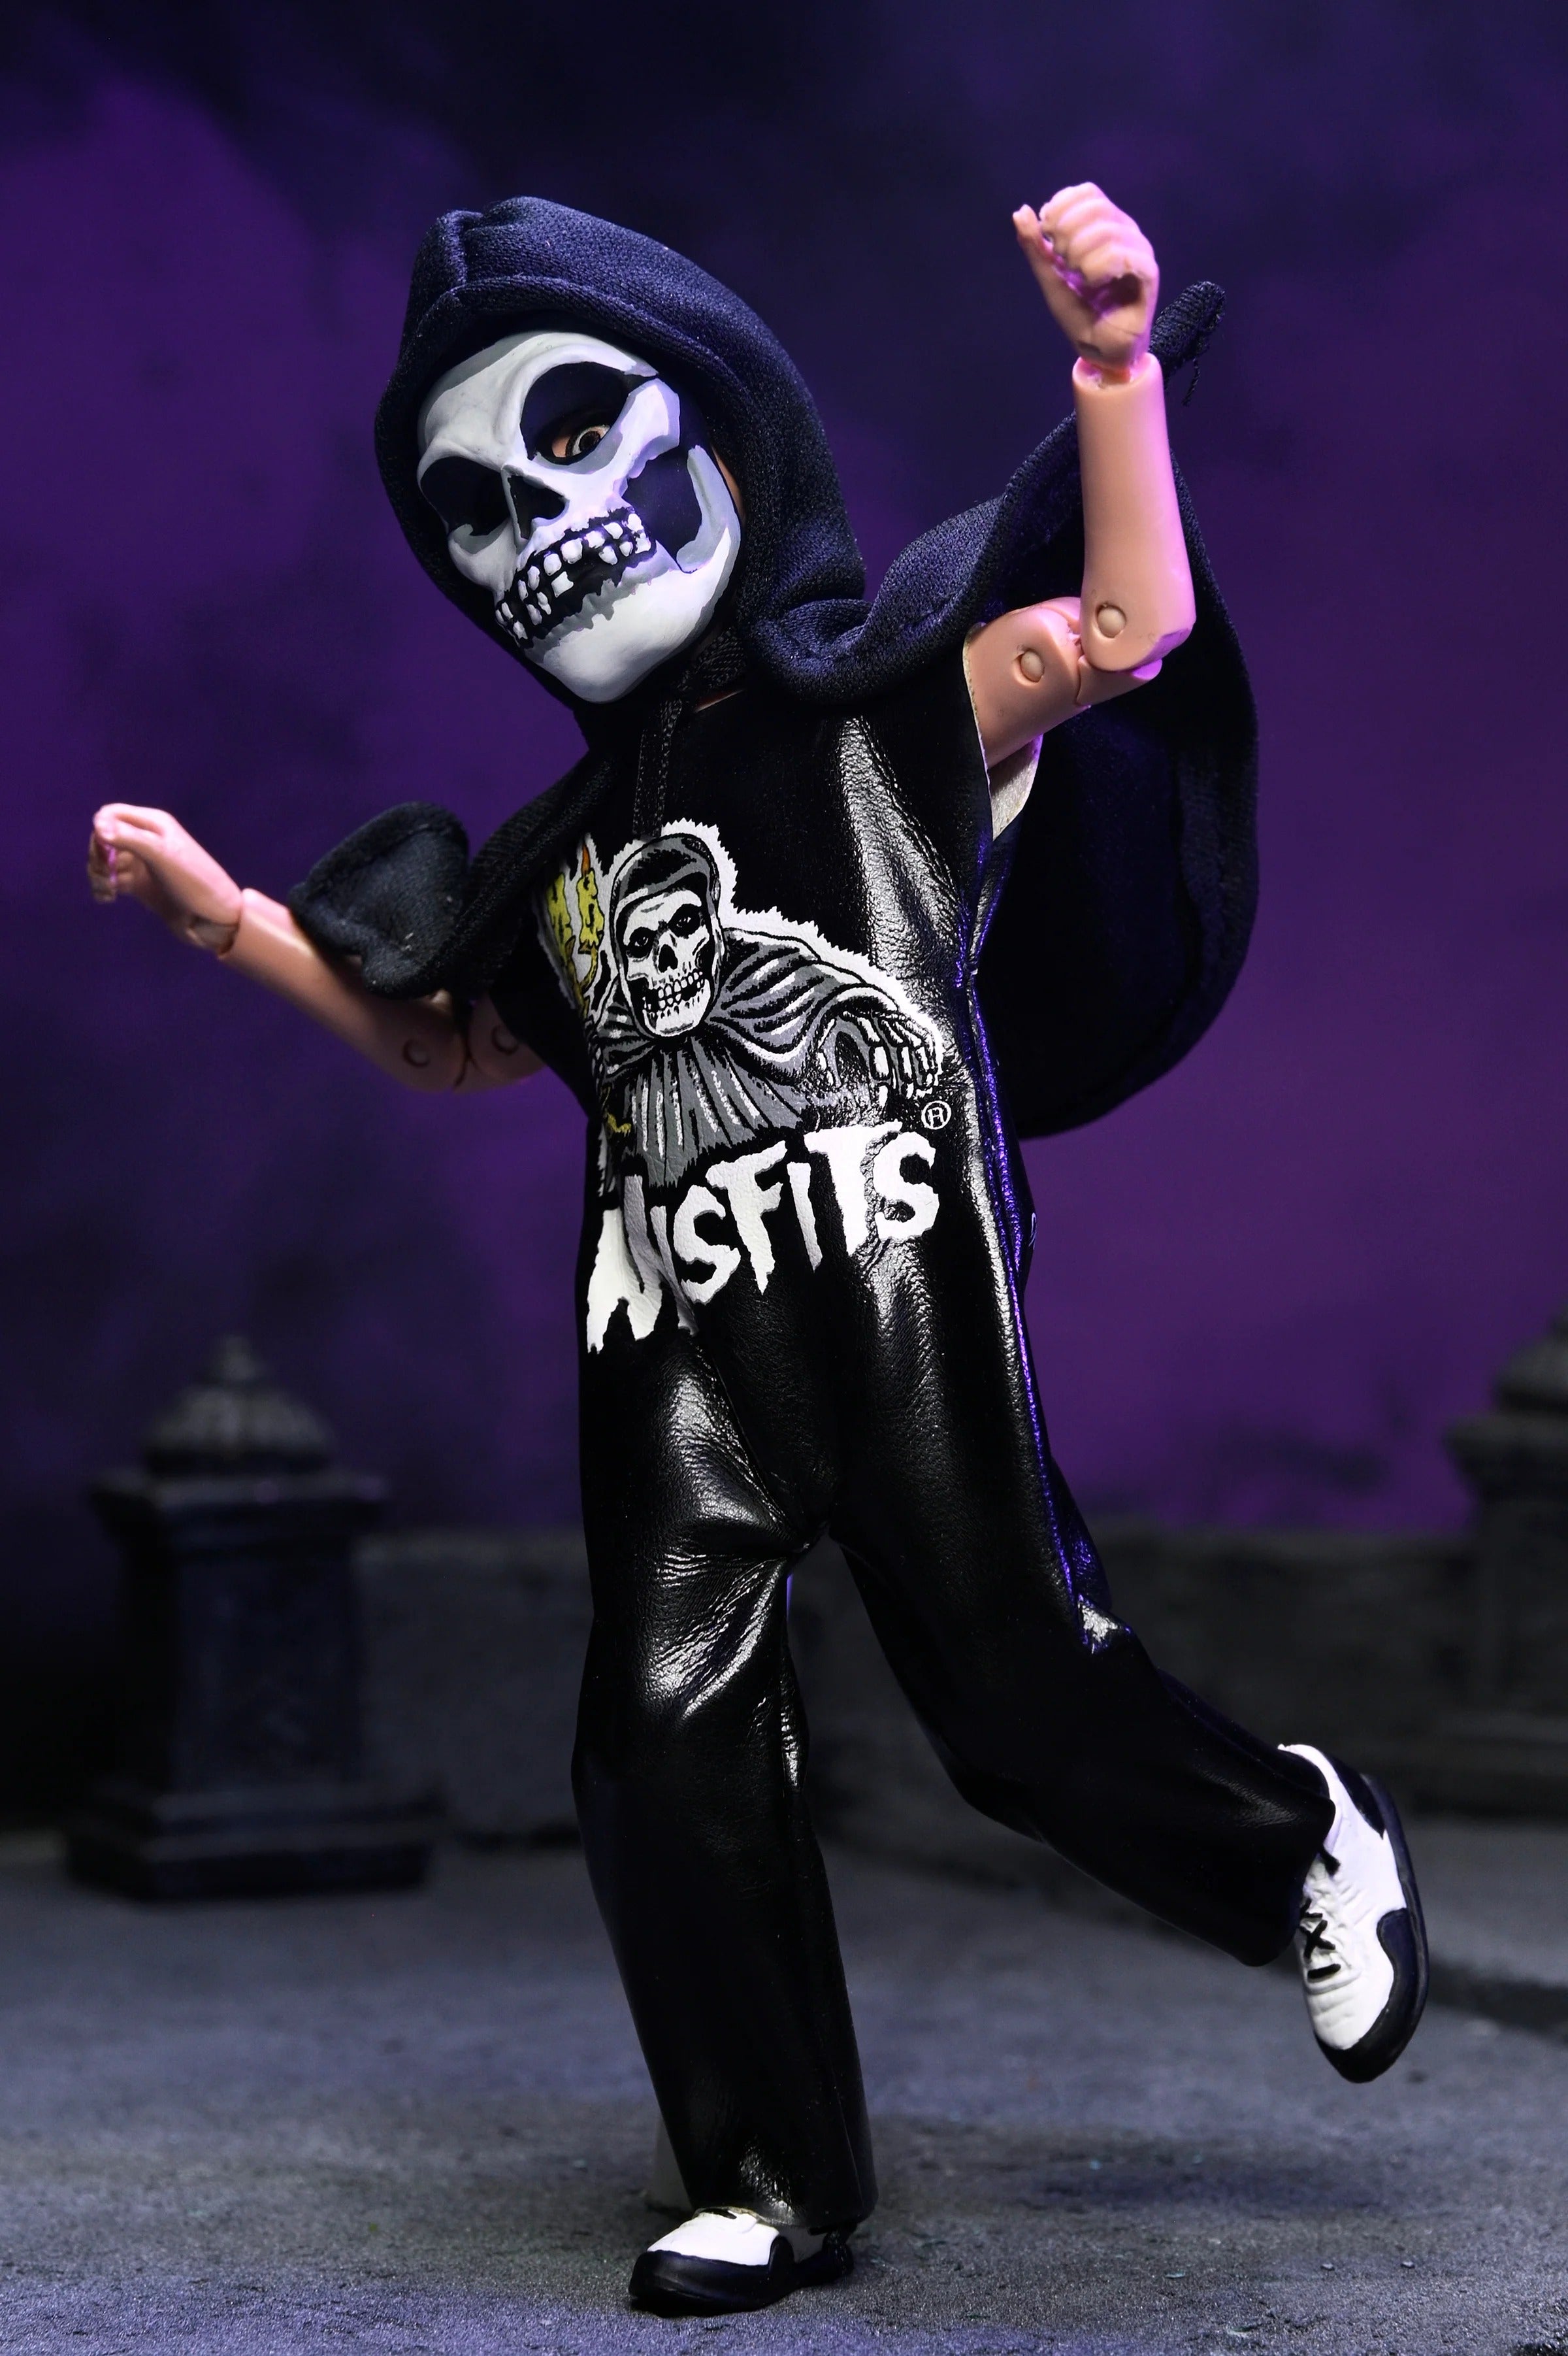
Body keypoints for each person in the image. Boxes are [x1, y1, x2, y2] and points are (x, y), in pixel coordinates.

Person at [89, 182, 1426, 2319]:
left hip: (892, 1293)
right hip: (675, 1339)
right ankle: (769, 2170)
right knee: (653, 1733)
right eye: (471, 507)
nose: (537, 524)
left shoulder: (883, 712)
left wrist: (1111, 374)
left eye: (576, 432)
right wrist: (239, 925)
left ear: (722, 424)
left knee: (1012, 1699)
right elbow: (456, 1046)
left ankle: (1295, 1836)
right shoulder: (559, 859)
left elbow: (1122, 634)